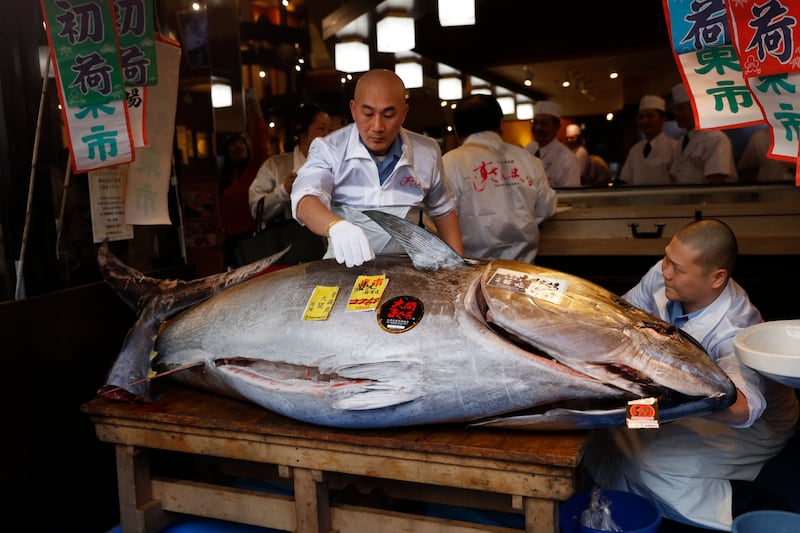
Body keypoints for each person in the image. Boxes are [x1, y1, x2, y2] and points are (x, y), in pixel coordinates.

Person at [583, 219, 799, 532]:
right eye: (667, 258)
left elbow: (744, 409)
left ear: (717, 278)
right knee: (606, 426)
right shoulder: (664, 274)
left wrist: (665, 405)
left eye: (678, 268)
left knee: (647, 462)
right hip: (678, 399)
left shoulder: (736, 325)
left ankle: (743, 507)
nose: (665, 271)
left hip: (749, 422)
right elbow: (623, 318)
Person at [290, 68, 464, 268]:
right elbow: (306, 199)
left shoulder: (427, 151)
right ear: (354, 109)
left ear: (404, 113)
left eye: (388, 115)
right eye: (367, 114)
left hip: (407, 269)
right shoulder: (329, 149)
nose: (377, 126)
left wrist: (456, 270)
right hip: (343, 269)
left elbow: (443, 211)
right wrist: (336, 227)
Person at [442, 94, 557, 263]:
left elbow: (441, 221)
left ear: (456, 129)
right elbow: (545, 208)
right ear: (500, 123)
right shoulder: (528, 159)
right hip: (523, 269)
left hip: (473, 274)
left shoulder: (449, 163)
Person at [248, 103, 332, 222]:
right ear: (301, 130)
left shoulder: (335, 165)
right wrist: (283, 191)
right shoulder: (274, 166)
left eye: (330, 129)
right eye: (321, 128)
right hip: (288, 237)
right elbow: (257, 210)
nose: (327, 134)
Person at [219, 91, 269, 270]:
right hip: (232, 240)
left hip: (253, 235)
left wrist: (254, 109)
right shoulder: (226, 178)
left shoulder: (255, 170)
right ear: (227, 152)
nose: (238, 146)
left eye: (241, 143)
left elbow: (261, 142)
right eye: (232, 145)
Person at [670, 84, 737, 184]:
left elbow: (716, 178)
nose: (676, 113)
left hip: (711, 198)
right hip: (686, 198)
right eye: (675, 109)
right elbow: (675, 176)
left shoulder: (715, 138)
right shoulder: (681, 141)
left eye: (681, 109)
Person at [618, 94, 678, 186]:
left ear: (663, 119)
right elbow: (626, 180)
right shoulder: (635, 150)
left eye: (649, 116)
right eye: (641, 117)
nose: (644, 121)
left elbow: (678, 180)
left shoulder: (674, 146)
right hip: (638, 200)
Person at [524, 101, 580, 188]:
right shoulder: (528, 149)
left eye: (544, 123)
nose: (538, 128)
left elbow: (570, 197)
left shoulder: (567, 160)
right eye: (535, 122)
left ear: (556, 127)